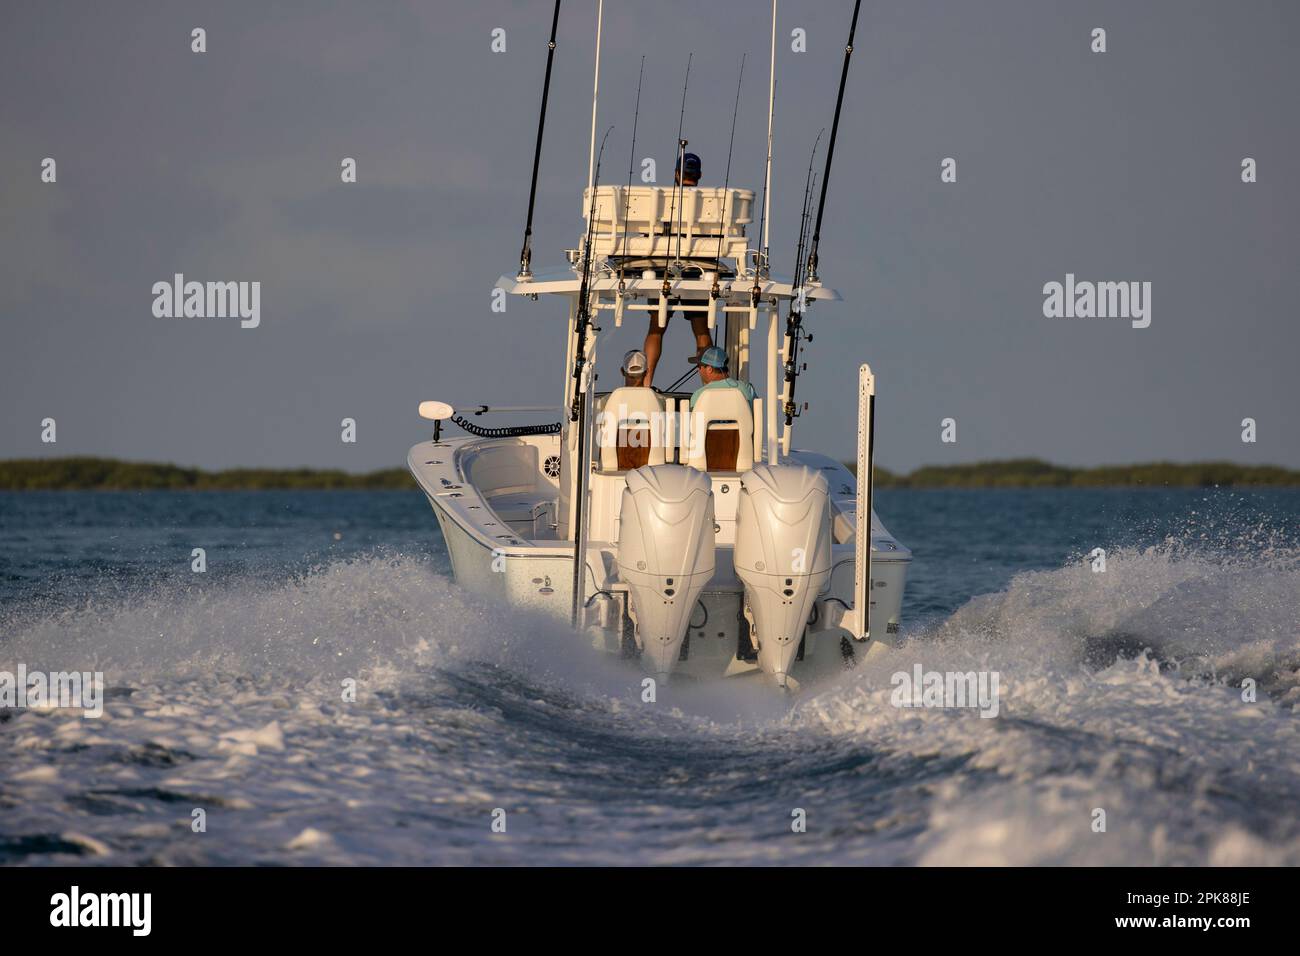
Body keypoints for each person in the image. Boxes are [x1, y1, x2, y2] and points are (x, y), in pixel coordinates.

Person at [643, 151, 710, 387]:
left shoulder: (660, 200)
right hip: (698, 269)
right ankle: (710, 386)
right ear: (699, 175)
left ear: (676, 174)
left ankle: (647, 383)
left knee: (656, 328)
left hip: (663, 270)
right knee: (701, 331)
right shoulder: (709, 202)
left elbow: (646, 233)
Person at [689, 346, 755, 410]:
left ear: (709, 369)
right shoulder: (747, 388)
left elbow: (696, 420)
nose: (698, 370)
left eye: (699, 366)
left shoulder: (699, 395)